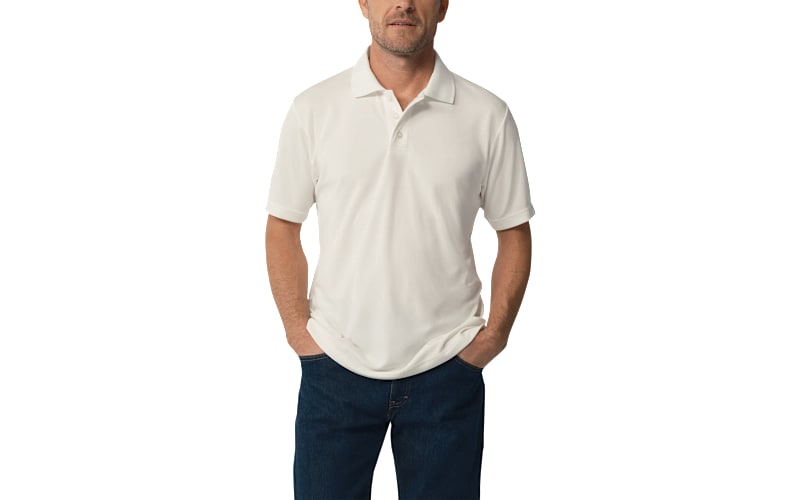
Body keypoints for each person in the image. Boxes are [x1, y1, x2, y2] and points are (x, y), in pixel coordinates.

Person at [264, 0, 533, 497]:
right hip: (334, 367)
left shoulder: (487, 115)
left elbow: (513, 231)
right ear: (363, 3)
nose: (403, 3)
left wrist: (492, 338)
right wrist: (300, 333)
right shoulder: (314, 109)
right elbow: (283, 224)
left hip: (446, 370)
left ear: (444, 5)